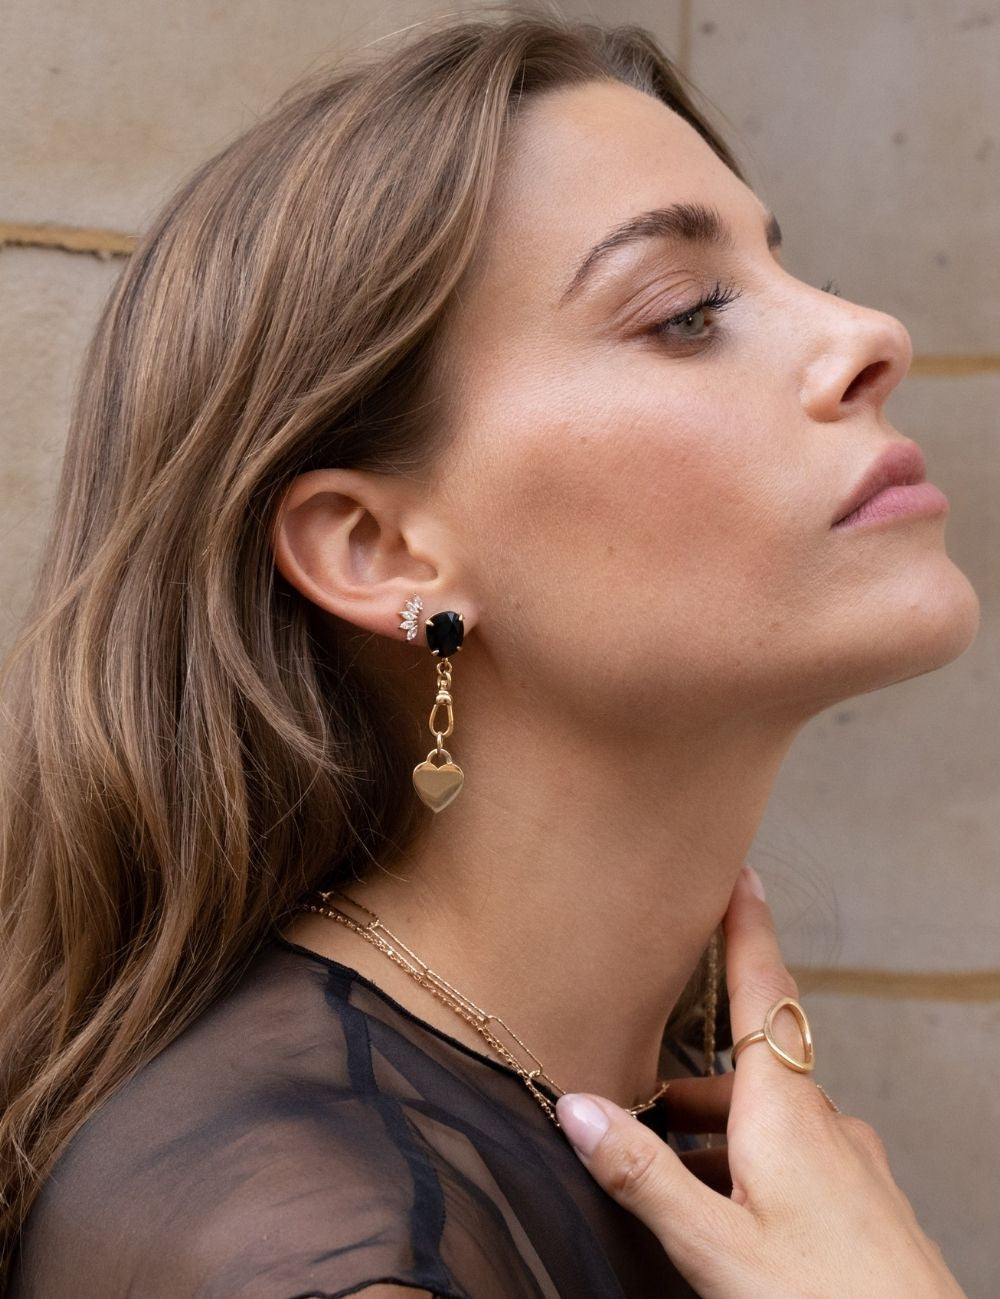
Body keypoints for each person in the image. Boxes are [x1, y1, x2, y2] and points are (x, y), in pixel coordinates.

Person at [0, 7, 979, 1297]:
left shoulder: (660, 1119)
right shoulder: (321, 1248)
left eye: (798, 272)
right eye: (687, 312)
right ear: (379, 551)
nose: (871, 336)